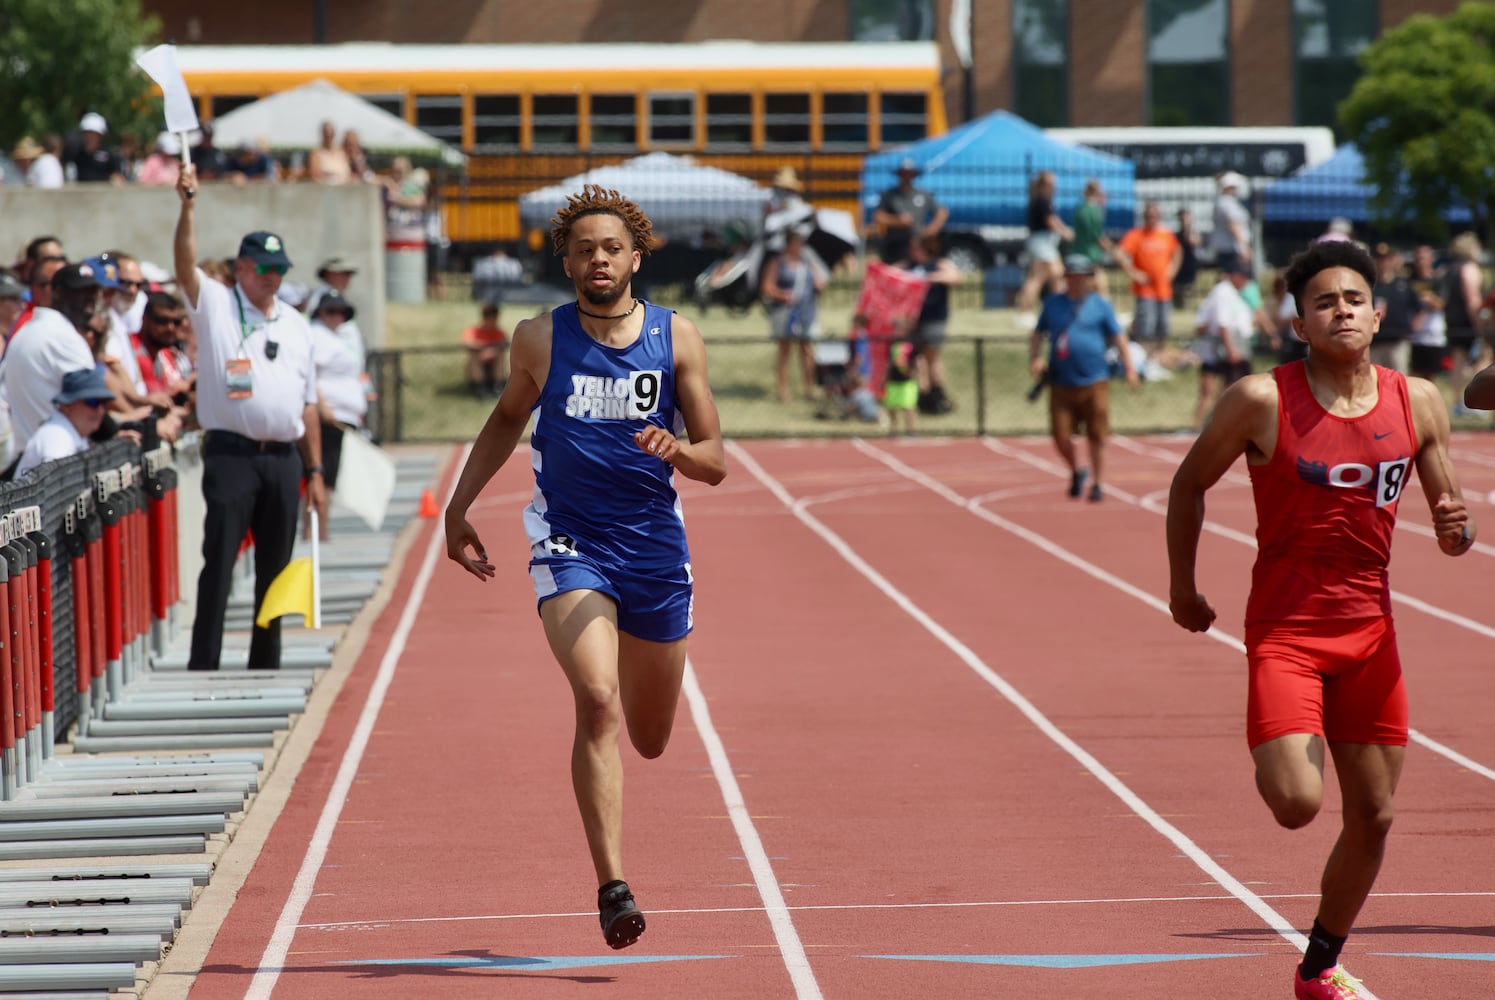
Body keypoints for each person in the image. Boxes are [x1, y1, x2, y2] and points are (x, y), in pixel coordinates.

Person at [1166, 239, 1474, 1000]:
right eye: (1322, 302)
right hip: (1287, 633)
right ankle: (1276, 737)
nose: (1340, 310)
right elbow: (1186, 485)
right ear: (1298, 324)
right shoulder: (1260, 400)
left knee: (1373, 815)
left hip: (1371, 633)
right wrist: (1182, 588)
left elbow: (1452, 527)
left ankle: (1316, 967)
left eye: (1352, 299)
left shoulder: (1417, 400)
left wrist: (1453, 529)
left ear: (1377, 313)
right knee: (1298, 806)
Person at [442, 184, 726, 951]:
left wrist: (678, 450)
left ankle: (631, 770)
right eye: (583, 249)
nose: (597, 259)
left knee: (651, 736)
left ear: (635, 257)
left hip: (654, 550)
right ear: (564, 260)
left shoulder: (678, 337)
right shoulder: (539, 338)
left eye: (611, 248)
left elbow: (716, 461)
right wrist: (456, 507)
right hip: (570, 541)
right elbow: (506, 418)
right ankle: (613, 887)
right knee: (596, 701)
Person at [173, 162, 326, 672]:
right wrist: (188, 206)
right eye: (264, 268)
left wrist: (317, 471)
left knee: (275, 568)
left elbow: (307, 403)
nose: (273, 277)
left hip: (283, 457)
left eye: (279, 268)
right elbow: (184, 263)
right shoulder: (216, 304)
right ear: (241, 268)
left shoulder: (297, 322)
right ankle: (205, 662)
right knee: (219, 561)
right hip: (232, 453)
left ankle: (266, 663)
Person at [1029, 254, 1139, 503]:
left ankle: (1098, 482)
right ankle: (1077, 471)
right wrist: (1035, 358)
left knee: (1097, 434)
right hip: (1061, 382)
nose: (1076, 282)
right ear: (1066, 278)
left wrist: (1129, 367)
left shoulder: (1100, 305)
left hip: (1094, 380)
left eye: (1081, 277)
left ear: (1088, 279)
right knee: (1060, 435)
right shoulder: (1053, 304)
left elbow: (1118, 337)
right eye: (1072, 277)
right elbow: (1037, 333)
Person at [308, 291, 367, 541]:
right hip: (327, 416)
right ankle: (316, 533)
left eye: (341, 312)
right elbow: (310, 373)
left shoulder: (339, 336)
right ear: (320, 313)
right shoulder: (317, 335)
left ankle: (320, 532)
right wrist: (323, 407)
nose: (337, 317)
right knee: (322, 475)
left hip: (343, 415)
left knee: (329, 476)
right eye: (331, 311)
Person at [759, 227, 826, 403]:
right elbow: (767, 287)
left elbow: (819, 282)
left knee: (807, 350)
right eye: (797, 242)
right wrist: (783, 295)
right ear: (789, 243)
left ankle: (810, 389)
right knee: (785, 350)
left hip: (807, 312)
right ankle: (782, 390)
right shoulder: (777, 262)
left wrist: (819, 282)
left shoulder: (808, 263)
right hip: (786, 313)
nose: (800, 246)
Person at [898, 234, 961, 415]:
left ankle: (937, 393)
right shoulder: (909, 265)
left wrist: (931, 278)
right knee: (916, 358)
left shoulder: (937, 264)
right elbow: (892, 272)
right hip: (913, 320)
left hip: (934, 318)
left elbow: (956, 277)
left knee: (931, 356)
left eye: (915, 248)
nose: (911, 251)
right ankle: (921, 393)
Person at [1113, 201, 1183, 359]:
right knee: (1146, 327)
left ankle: (1158, 357)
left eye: (1155, 216)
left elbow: (1178, 251)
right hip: (1145, 291)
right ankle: (1144, 357)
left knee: (1163, 327)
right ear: (1144, 217)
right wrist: (1133, 272)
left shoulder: (1166, 235)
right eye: (1149, 216)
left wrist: (1172, 270)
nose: (1152, 219)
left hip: (1164, 290)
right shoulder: (1136, 235)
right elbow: (1119, 254)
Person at [14, 368, 113, 478]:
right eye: (93, 402)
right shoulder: (57, 436)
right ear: (66, 405)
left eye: (104, 403)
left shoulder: (69, 432)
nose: (100, 410)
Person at [1192, 260, 1255, 430]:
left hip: (1223, 344)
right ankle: (1203, 424)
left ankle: (1207, 422)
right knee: (1224, 388)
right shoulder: (1224, 292)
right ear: (1235, 276)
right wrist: (1231, 350)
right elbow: (1222, 324)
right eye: (1244, 278)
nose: (1246, 283)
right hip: (1221, 346)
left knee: (1222, 389)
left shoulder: (1230, 293)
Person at [1016, 170, 1073, 315]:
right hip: (1042, 243)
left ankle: (1051, 309)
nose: (1054, 186)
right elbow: (1050, 222)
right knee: (1056, 275)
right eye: (1051, 183)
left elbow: (1054, 220)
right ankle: (1027, 311)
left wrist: (1065, 230)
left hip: (1043, 242)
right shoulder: (1042, 200)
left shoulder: (1044, 200)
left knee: (1041, 278)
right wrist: (1065, 233)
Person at [872, 157, 946, 264]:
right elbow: (878, 216)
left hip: (918, 243)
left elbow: (942, 212)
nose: (907, 176)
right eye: (904, 173)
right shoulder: (889, 195)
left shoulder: (923, 194)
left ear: (914, 175)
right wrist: (898, 221)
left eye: (909, 173)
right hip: (895, 243)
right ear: (899, 175)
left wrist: (932, 229)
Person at [1441, 232, 1484, 415]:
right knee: (1482, 358)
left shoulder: (1448, 269)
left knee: (1458, 363)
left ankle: (1458, 401)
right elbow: (1472, 300)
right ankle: (1473, 402)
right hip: (1467, 322)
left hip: (1452, 321)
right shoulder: (1469, 269)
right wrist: (1480, 326)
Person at [1370, 244, 1420, 376]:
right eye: (1379, 259)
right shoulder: (1370, 285)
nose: (1383, 263)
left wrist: (1414, 326)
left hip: (1398, 339)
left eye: (1386, 259)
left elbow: (1418, 307)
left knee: (1398, 376)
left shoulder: (1403, 284)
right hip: (1375, 340)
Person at [461, 301, 509, 398]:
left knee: (500, 355)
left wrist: (490, 351)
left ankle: (498, 386)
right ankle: (480, 387)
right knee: (474, 355)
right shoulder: (473, 331)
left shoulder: (499, 332)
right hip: (478, 365)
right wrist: (483, 348)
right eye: (491, 317)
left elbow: (505, 343)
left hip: (494, 366)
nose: (494, 320)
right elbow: (466, 343)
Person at [1210, 171, 1253, 273]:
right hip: (1231, 251)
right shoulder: (1225, 203)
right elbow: (1233, 226)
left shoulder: (1229, 202)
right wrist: (1244, 248)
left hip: (1233, 250)